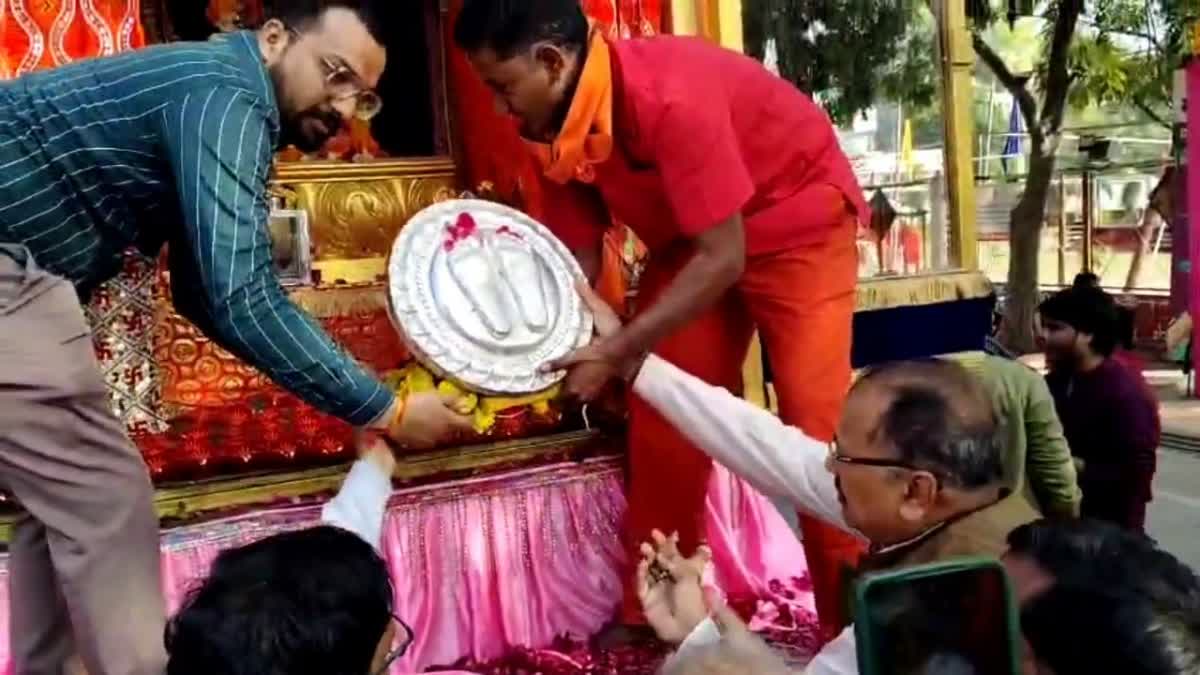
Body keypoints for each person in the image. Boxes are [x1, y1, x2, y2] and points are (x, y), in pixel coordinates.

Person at [0, 3, 472, 673]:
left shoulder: (221, 95)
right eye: (333, 74)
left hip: (26, 278)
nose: (343, 107)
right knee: (104, 495)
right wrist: (385, 408)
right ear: (275, 38)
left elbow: (201, 290)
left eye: (359, 95)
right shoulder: (228, 96)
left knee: (62, 497)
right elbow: (239, 292)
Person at [454, 0, 868, 636]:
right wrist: (527, 345)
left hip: (797, 224)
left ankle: (854, 625)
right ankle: (652, 609)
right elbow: (579, 261)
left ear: (550, 61)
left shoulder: (670, 96)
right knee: (662, 416)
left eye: (504, 90)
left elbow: (724, 257)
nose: (502, 111)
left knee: (820, 438)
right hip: (695, 246)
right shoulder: (553, 127)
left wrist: (618, 352)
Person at [561, 281, 1039, 673]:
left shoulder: (927, 603)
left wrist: (699, 643)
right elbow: (767, 446)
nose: (828, 466)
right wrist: (632, 361)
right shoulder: (984, 513)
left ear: (917, 490)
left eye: (844, 458)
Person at [1038, 286, 1160, 531]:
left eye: (1055, 328)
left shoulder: (1125, 393)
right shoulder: (1055, 381)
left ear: (1088, 334)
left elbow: (1135, 476)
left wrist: (1070, 465)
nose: (1044, 336)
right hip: (1062, 526)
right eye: (1044, 327)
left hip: (1109, 535)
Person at [970, 355, 1081, 519]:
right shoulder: (1018, 378)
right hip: (1008, 523)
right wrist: (1068, 518)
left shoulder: (922, 373)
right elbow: (1055, 472)